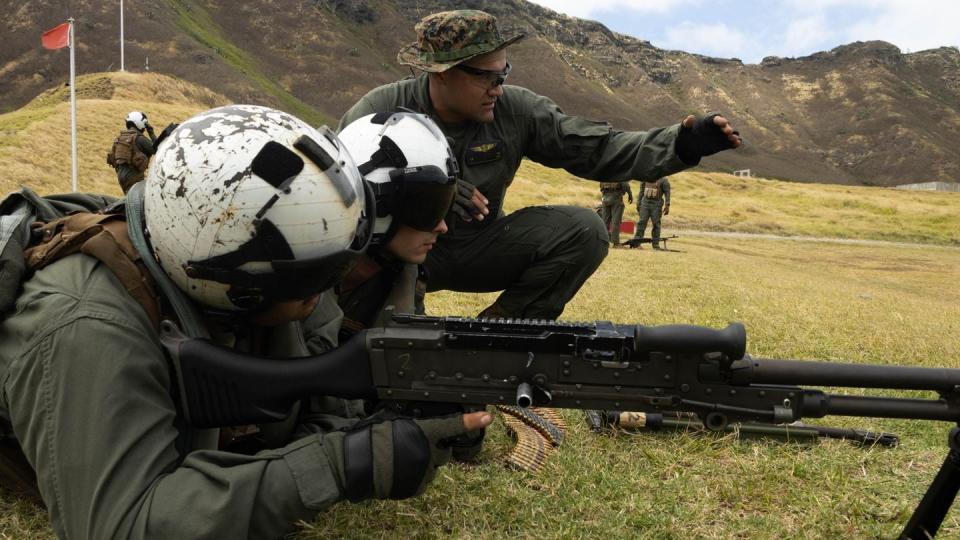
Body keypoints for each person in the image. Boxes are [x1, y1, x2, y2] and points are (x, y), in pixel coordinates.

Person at [0, 104, 490, 539]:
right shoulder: (86, 325)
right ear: (236, 289)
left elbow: (309, 411)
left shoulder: (264, 277)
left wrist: (386, 420)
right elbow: (126, 523)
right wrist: (344, 465)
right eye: (318, 278)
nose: (326, 293)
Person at [339, 9, 742, 320]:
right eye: (486, 77)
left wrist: (682, 143)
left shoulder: (516, 110)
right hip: (394, 255)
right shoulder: (380, 111)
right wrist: (428, 190)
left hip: (476, 249)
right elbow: (340, 197)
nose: (498, 88)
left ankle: (497, 337)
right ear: (441, 74)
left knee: (585, 231)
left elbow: (600, 149)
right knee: (397, 367)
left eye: (504, 74)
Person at [335, 110, 458, 341]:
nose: (442, 227)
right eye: (427, 210)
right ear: (374, 202)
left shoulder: (401, 276)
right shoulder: (299, 289)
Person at [106, 111, 156, 194]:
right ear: (140, 123)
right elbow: (157, 149)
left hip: (121, 177)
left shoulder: (119, 139)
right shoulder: (140, 139)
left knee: (129, 200)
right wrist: (151, 133)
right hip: (134, 177)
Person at [634, 176, 671, 249]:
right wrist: (638, 203)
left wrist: (667, 205)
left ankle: (655, 244)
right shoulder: (645, 177)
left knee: (656, 224)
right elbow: (641, 191)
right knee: (642, 222)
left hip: (656, 204)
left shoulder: (664, 180)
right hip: (645, 203)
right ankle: (636, 243)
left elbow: (667, 192)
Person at [599, 181, 633, 247]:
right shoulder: (618, 172)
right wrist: (630, 194)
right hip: (616, 198)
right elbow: (625, 184)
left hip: (605, 198)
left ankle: (603, 242)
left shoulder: (604, 173)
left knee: (605, 221)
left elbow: (601, 186)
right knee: (616, 221)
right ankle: (616, 243)